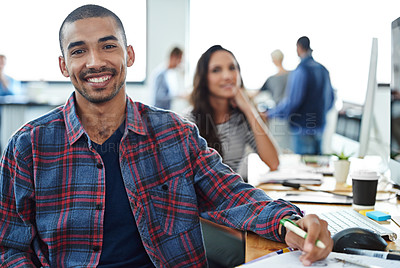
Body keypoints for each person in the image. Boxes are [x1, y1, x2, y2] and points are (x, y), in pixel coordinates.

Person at [0, 5, 332, 267]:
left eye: (108, 46)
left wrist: (290, 222)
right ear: (63, 65)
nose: (95, 61)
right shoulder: (29, 147)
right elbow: (10, 248)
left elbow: (233, 196)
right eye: (78, 51)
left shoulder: (175, 134)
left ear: (129, 55)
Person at [189, 45, 280, 179]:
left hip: (233, 197)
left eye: (232, 68)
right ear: (204, 78)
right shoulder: (189, 121)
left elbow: (273, 162)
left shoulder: (241, 118)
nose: (227, 76)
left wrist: (249, 109)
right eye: (216, 70)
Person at [266, 36, 335, 155]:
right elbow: (331, 99)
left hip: (302, 128)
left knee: (303, 169)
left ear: (299, 47)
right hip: (320, 126)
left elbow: (292, 102)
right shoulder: (324, 70)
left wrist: (270, 113)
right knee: (317, 168)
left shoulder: (300, 71)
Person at [257, 49, 292, 152]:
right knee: (289, 148)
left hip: (277, 117)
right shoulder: (292, 75)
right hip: (291, 117)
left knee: (278, 147)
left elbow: (256, 93)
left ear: (274, 60)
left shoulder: (272, 79)